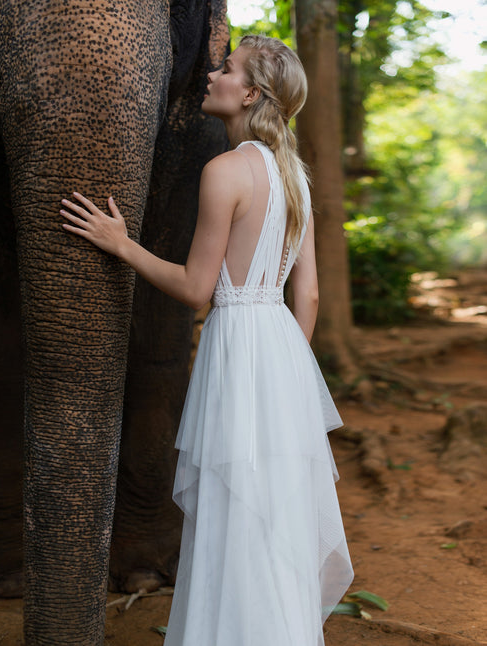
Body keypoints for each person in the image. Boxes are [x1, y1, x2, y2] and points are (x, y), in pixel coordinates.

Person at [61, 34, 353, 646]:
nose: (214, 74)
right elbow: (312, 297)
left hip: (238, 345)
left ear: (249, 93)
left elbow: (197, 288)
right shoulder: (294, 175)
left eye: (227, 68)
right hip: (279, 349)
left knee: (231, 507)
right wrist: (290, 378)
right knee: (270, 514)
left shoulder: (224, 170)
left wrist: (121, 244)